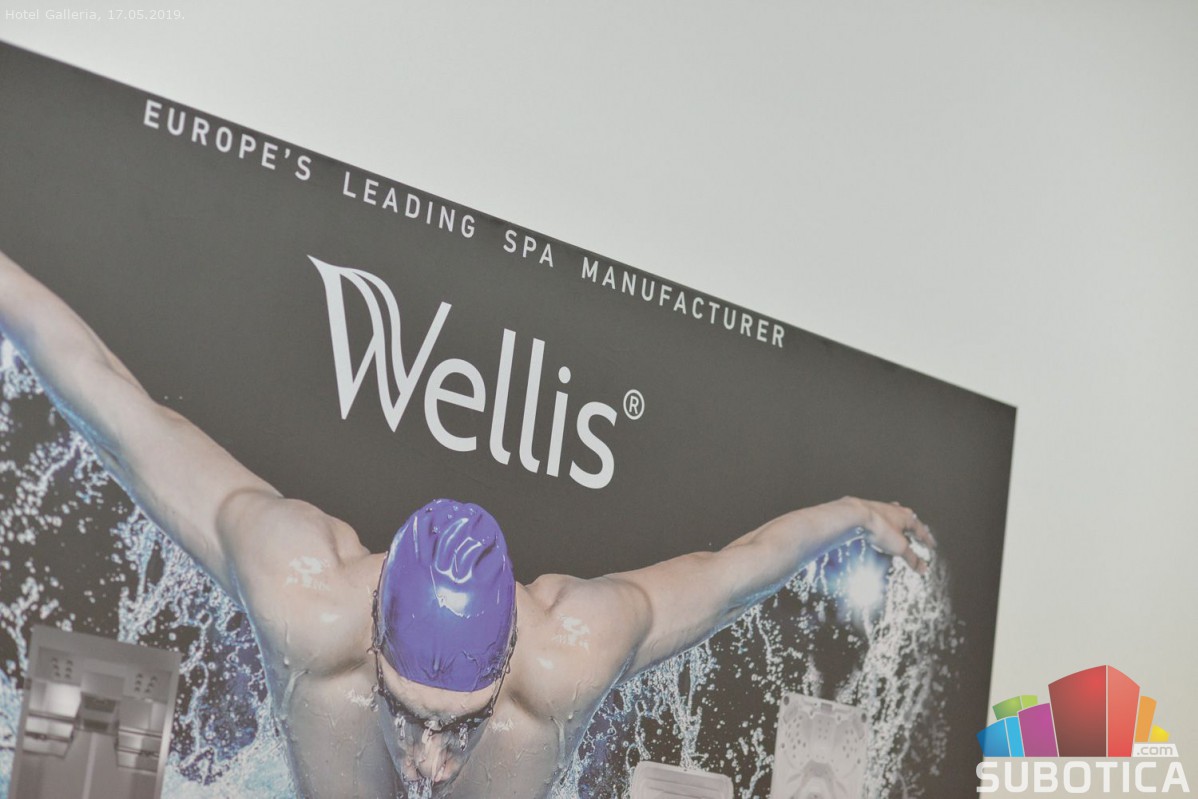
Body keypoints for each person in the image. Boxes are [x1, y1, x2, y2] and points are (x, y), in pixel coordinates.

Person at [0, 249, 935, 798]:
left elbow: (736, 569)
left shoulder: (573, 652)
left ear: (510, 664)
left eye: (462, 725)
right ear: (371, 637)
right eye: (408, 713)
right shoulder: (301, 593)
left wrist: (851, 515)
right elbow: (117, 407)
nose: (429, 761)